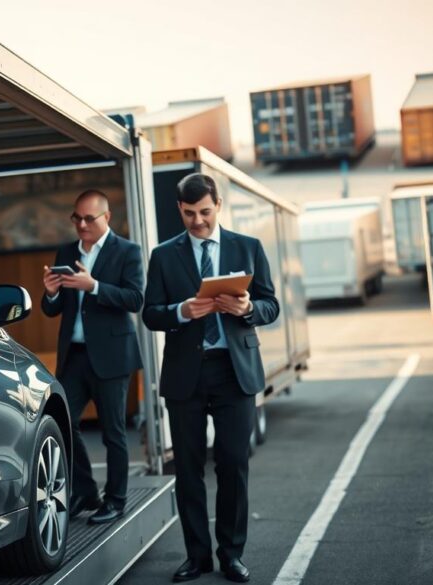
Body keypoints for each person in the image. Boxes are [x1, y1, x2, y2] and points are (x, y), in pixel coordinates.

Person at [142, 173, 279, 583]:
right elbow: (150, 313)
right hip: (186, 373)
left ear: (218, 204)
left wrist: (247, 308)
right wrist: (181, 311)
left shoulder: (248, 247)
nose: (198, 221)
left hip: (234, 372)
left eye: (204, 212)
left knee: (234, 463)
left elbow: (271, 305)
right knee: (187, 469)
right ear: (179, 211)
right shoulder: (164, 256)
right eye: (189, 214)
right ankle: (197, 557)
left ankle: (231, 555)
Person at [41, 189, 144, 525]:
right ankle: (85, 489)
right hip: (74, 355)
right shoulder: (67, 251)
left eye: (89, 218)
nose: (82, 224)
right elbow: (52, 309)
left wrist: (94, 286)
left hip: (112, 356)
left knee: (113, 432)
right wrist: (51, 292)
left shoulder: (127, 251)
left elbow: (135, 298)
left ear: (106, 218)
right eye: (77, 218)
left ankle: (115, 501)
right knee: (62, 422)